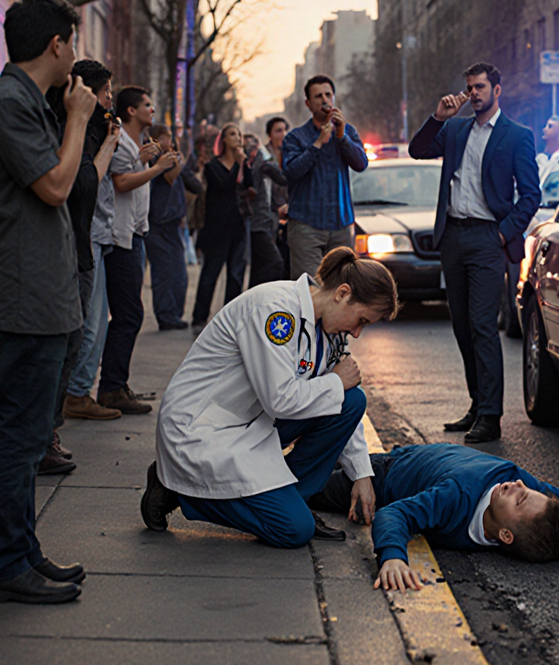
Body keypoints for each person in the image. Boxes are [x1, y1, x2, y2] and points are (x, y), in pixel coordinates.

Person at [142, 247, 399, 548]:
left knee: (351, 400)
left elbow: (336, 399)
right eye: (362, 321)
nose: (357, 333)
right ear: (342, 293)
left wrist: (361, 474)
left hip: (250, 423)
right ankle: (179, 491)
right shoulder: (276, 310)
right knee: (294, 531)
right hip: (203, 431)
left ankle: (294, 498)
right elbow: (279, 400)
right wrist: (336, 381)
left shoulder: (327, 330)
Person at [0, 0, 92, 605]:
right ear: (56, 45)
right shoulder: (10, 102)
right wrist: (77, 120)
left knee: (28, 431)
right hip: (23, 296)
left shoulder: (27, 100)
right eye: (74, 41)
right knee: (18, 435)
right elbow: (55, 185)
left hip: (42, 293)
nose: (77, 53)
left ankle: (21, 551)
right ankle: (2, 567)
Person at [308, 443, 559, 591]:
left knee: (297, 482)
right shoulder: (463, 493)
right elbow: (394, 513)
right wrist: (391, 558)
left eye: (519, 497)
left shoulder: (531, 505)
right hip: (386, 474)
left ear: (506, 537)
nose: (516, 484)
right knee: (304, 487)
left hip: (429, 469)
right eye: (523, 489)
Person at [408, 63, 541, 443]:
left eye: (480, 87)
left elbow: (531, 195)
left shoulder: (517, 136)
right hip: (452, 236)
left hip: (487, 239)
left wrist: (502, 234)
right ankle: (476, 402)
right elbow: (418, 150)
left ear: (497, 90)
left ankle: (491, 415)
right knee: (462, 327)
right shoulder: (453, 129)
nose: (474, 93)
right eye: (469, 87)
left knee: (483, 326)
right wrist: (437, 117)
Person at [43, 59, 123, 473]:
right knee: (69, 340)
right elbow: (82, 182)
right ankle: (43, 436)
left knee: (75, 340)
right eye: (107, 92)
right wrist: (104, 145)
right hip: (72, 244)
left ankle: (48, 433)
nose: (112, 100)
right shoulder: (67, 124)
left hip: (82, 245)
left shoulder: (90, 128)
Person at [99, 86, 177, 414]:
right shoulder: (120, 142)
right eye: (147, 105)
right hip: (121, 239)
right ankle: (111, 386)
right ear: (131, 110)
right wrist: (156, 168)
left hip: (135, 235)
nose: (152, 110)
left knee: (130, 314)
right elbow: (121, 183)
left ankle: (116, 384)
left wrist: (148, 161)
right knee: (128, 315)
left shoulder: (136, 145)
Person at [282, 75, 367, 279]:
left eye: (328, 94)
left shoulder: (347, 131)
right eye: (318, 96)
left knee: (341, 288)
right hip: (306, 225)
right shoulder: (295, 137)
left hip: (341, 224)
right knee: (310, 291)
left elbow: (361, 164)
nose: (325, 100)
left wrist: (341, 137)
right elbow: (291, 171)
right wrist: (318, 143)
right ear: (308, 104)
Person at [190, 123, 252, 330]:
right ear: (224, 140)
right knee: (210, 274)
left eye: (239, 134)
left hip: (238, 226)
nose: (238, 138)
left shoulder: (243, 165)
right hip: (216, 229)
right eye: (233, 134)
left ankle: (230, 319)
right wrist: (238, 165)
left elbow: (250, 186)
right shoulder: (212, 167)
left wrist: (244, 166)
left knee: (236, 275)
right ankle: (199, 317)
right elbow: (224, 185)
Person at [144, 123, 203, 330]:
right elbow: (169, 178)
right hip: (157, 223)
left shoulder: (175, 160)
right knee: (164, 272)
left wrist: (183, 163)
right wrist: (174, 164)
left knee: (179, 273)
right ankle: (166, 315)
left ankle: (176, 313)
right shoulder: (153, 162)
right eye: (166, 137)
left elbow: (196, 186)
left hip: (175, 224)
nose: (170, 141)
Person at [244, 131, 288, 288]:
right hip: (256, 223)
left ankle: (253, 302)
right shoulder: (250, 163)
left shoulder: (266, 161)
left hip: (268, 221)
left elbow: (282, 181)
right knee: (274, 262)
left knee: (259, 267)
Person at [264, 117, 292, 279]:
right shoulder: (265, 156)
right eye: (278, 130)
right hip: (270, 215)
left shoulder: (291, 153)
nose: (283, 134)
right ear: (270, 134)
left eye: (284, 129)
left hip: (290, 214)